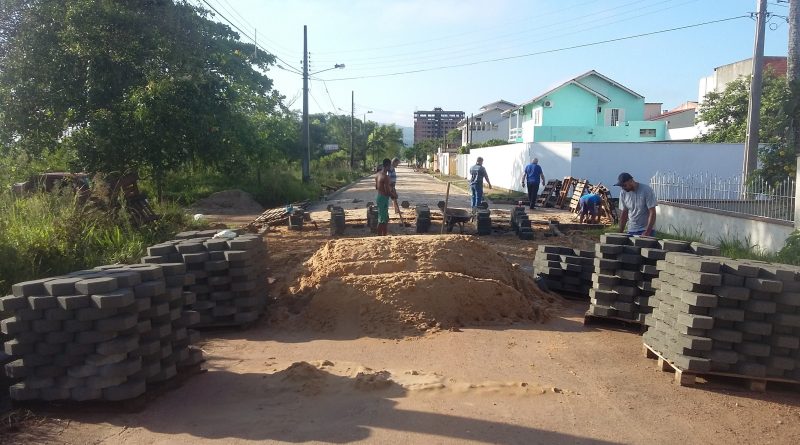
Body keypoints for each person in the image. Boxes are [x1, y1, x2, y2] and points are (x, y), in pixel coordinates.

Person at [615, 172, 656, 236]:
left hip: (646, 229)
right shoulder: (623, 193)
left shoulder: (646, 190)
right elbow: (624, 213)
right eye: (621, 186)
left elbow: (652, 212)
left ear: (631, 181)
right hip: (631, 230)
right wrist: (620, 232)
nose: (623, 188)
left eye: (624, 185)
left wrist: (647, 231)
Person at [375, 158, 397, 236]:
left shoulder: (377, 174)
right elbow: (387, 192)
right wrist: (394, 195)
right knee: (382, 220)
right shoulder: (386, 177)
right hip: (383, 198)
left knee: (383, 218)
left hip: (378, 197)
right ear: (387, 166)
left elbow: (377, 187)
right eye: (390, 166)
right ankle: (381, 236)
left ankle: (383, 235)